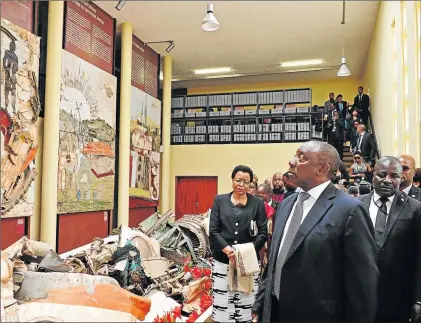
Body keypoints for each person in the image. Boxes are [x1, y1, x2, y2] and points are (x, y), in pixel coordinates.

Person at [252, 141, 378, 322]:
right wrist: (262, 301)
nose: (291, 161)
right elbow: (276, 260)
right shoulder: (287, 203)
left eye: (300, 157)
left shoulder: (350, 210)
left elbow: (362, 283)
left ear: (322, 169)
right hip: (276, 311)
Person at [358, 156, 421, 323]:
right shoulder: (355, 205)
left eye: (394, 176)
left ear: (401, 179)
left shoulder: (415, 209)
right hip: (358, 297)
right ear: (373, 176)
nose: (387, 180)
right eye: (382, 175)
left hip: (397, 299)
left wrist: (419, 299)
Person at [209, 165, 268, 323]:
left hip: (247, 262)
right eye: (238, 180)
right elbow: (213, 230)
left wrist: (246, 251)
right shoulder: (220, 200)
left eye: (246, 182)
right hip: (223, 260)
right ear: (232, 180)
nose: (241, 185)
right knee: (223, 301)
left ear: (251, 183)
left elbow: (263, 233)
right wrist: (227, 249)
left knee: (245, 302)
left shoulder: (257, 203)